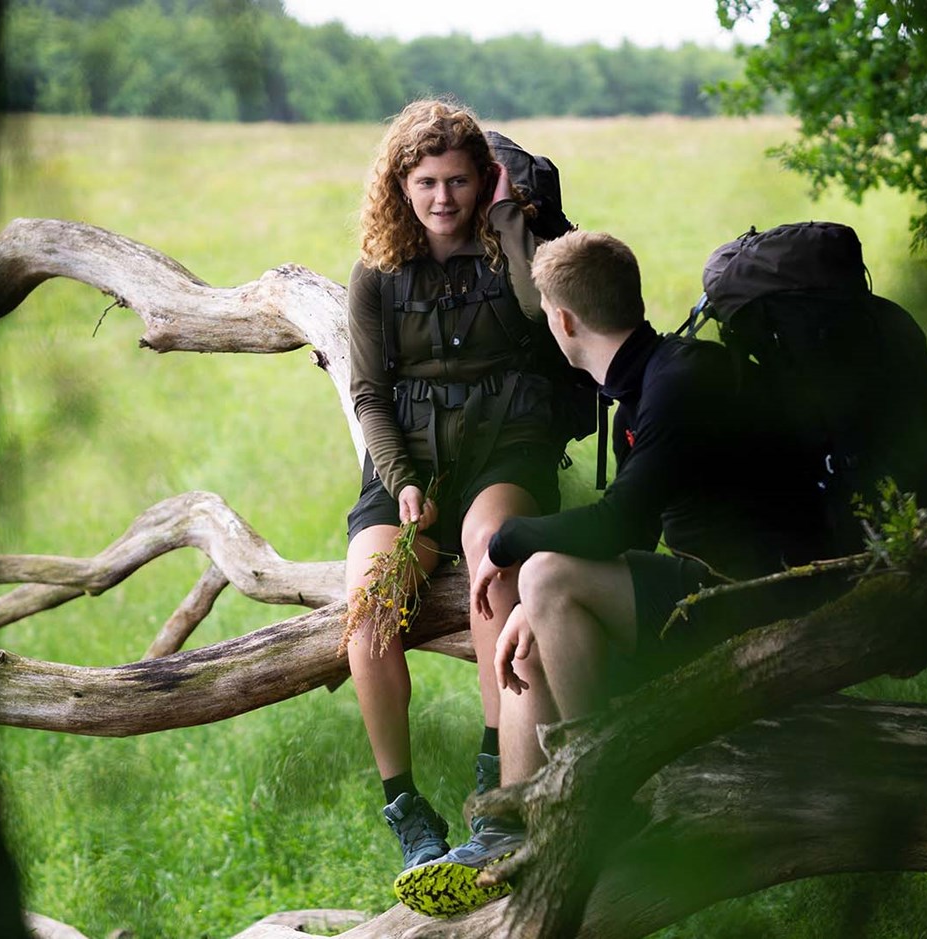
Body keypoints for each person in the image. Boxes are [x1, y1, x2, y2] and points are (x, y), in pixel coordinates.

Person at [393, 229, 840, 916]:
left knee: (544, 578)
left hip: (759, 600)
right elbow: (633, 532)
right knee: (532, 618)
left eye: (547, 313)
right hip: (711, 587)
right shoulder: (655, 376)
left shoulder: (675, 386)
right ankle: (505, 834)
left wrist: (507, 541)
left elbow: (619, 526)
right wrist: (528, 608)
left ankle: (596, 796)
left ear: (564, 321)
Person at [342, 98, 567, 883]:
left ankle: (496, 790)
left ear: (484, 179)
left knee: (490, 555)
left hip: (509, 442)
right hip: (410, 458)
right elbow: (368, 393)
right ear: (400, 185)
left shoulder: (515, 245)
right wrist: (402, 482)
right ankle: (407, 809)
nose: (443, 199)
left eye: (460, 181)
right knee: (371, 608)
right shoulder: (376, 271)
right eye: (427, 183)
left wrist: (506, 219)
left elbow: (546, 316)